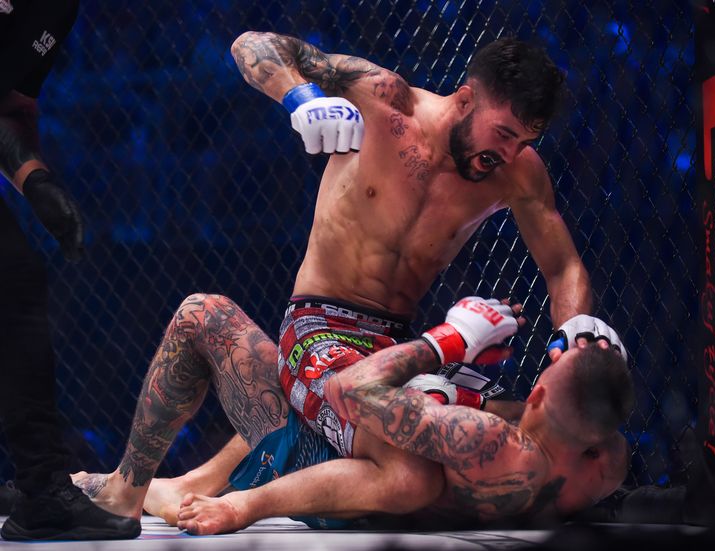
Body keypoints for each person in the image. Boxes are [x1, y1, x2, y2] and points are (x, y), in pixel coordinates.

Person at [72, 33, 628, 526]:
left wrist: (578, 332)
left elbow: (562, 267)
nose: (507, 153)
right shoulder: (386, 102)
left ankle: (190, 484)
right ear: (465, 99)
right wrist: (298, 95)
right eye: (503, 133)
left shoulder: (517, 173)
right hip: (320, 329)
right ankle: (145, 490)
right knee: (409, 467)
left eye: (523, 142)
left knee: (525, 427)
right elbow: (253, 45)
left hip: (394, 343)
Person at [174, 296, 634, 534]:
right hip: (360, 468)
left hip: (325, 460)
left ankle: (233, 500)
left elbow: (346, 390)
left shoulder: (486, 440)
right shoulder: (603, 466)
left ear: (538, 395)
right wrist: (601, 359)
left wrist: (451, 339)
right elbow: (579, 409)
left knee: (410, 471)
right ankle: (195, 484)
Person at [0, 0, 140, 541]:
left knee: (14, 283)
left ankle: (41, 489)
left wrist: (37, 183)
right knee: (13, 280)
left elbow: (8, 106)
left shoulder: (55, 7)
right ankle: (42, 491)